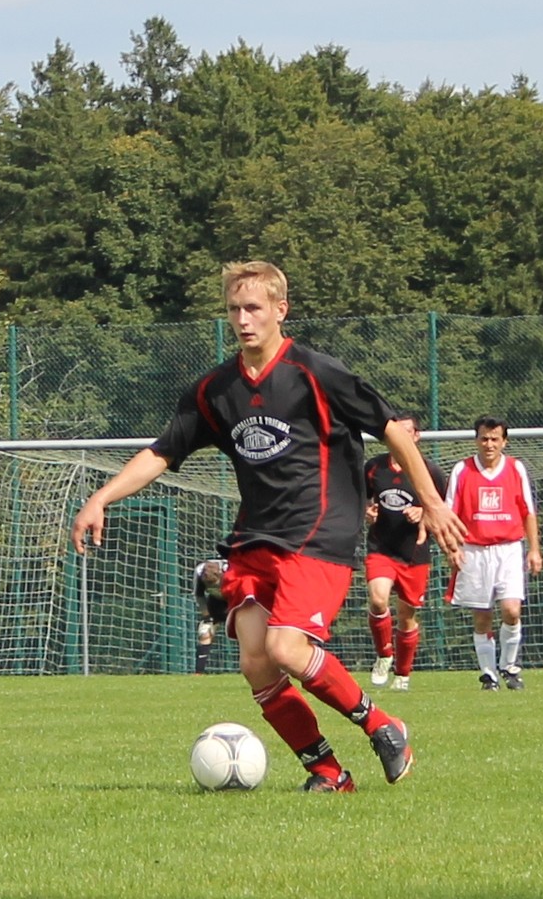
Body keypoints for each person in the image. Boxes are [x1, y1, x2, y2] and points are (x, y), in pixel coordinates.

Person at [72, 260, 465, 792]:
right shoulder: (215, 389)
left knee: (286, 648)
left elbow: (392, 429)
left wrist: (433, 501)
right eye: (234, 309)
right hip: (255, 535)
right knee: (256, 661)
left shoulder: (316, 373)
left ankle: (382, 725)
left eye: (254, 307)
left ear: (281, 310)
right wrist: (102, 496)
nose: (243, 318)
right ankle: (328, 773)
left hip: (320, 530)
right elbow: (163, 451)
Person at [444, 415, 543, 691]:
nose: (489, 444)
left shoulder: (515, 468)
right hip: (473, 551)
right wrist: (452, 548)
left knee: (512, 610)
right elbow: (449, 514)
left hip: (508, 549)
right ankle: (488, 675)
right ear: (476, 440)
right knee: (482, 616)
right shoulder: (462, 470)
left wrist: (534, 549)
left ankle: (510, 667)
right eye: (484, 438)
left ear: (504, 441)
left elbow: (528, 511)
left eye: (494, 439)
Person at [364, 411, 447, 692]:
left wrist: (424, 510)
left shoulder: (430, 471)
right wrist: (367, 509)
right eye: (395, 432)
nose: (401, 437)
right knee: (378, 601)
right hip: (381, 548)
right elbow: (361, 498)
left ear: (416, 436)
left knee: (406, 617)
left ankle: (402, 674)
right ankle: (384, 655)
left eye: (407, 431)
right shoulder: (374, 467)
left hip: (414, 553)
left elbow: (445, 509)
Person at [193, 558, 228, 674]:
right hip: (215, 603)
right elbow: (199, 596)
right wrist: (206, 615)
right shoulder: (199, 572)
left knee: (246, 635)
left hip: (235, 601)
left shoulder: (231, 570)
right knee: (205, 633)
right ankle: (198, 673)